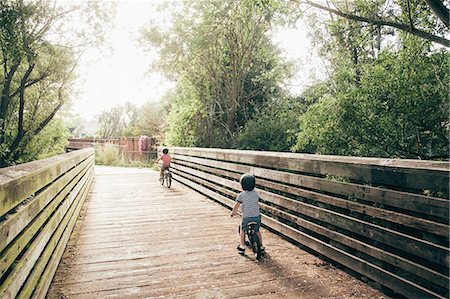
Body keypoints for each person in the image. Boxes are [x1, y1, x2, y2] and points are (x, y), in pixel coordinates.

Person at [230, 173, 264, 254]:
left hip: (247, 218)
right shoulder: (256, 194)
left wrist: (233, 212)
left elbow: (237, 206)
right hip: (257, 217)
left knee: (242, 229)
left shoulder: (241, 195)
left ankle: (242, 246)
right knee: (257, 230)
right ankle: (261, 246)